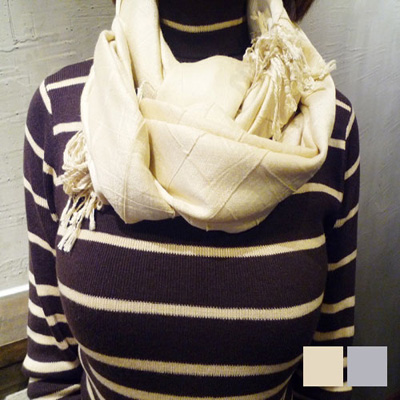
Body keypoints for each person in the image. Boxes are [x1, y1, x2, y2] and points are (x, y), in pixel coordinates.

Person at [22, 0, 359, 399]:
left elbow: (337, 363)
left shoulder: (326, 124)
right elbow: (51, 368)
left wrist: (383, 369)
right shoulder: (62, 111)